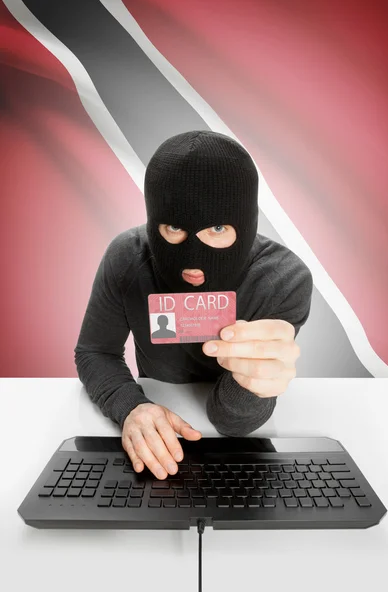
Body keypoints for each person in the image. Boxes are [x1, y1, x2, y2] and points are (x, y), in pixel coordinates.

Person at [74, 130, 313, 481]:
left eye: (217, 228)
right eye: (173, 227)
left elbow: (231, 423)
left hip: (241, 450)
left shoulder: (281, 279)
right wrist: (131, 407)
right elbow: (94, 351)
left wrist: (252, 384)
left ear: (245, 224)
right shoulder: (127, 256)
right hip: (152, 435)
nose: (192, 259)